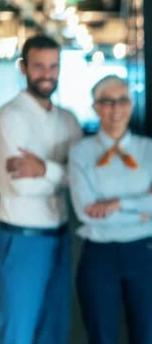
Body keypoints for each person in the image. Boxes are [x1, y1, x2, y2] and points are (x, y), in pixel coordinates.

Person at [69, 75, 152, 344]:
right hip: (99, 256)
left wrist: (118, 205)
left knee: (147, 337)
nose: (116, 108)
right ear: (95, 107)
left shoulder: (148, 149)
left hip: (145, 254)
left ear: (130, 105)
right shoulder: (80, 152)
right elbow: (85, 212)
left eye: (122, 100)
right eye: (107, 101)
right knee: (101, 336)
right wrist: (142, 209)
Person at [0, 35, 83, 344]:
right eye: (38, 66)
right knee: (17, 333)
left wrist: (44, 169)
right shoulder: (9, 117)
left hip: (61, 237)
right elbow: (21, 187)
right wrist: (62, 172)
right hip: (21, 241)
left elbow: (81, 180)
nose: (47, 74)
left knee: (55, 331)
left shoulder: (68, 119)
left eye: (53, 66)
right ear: (23, 67)